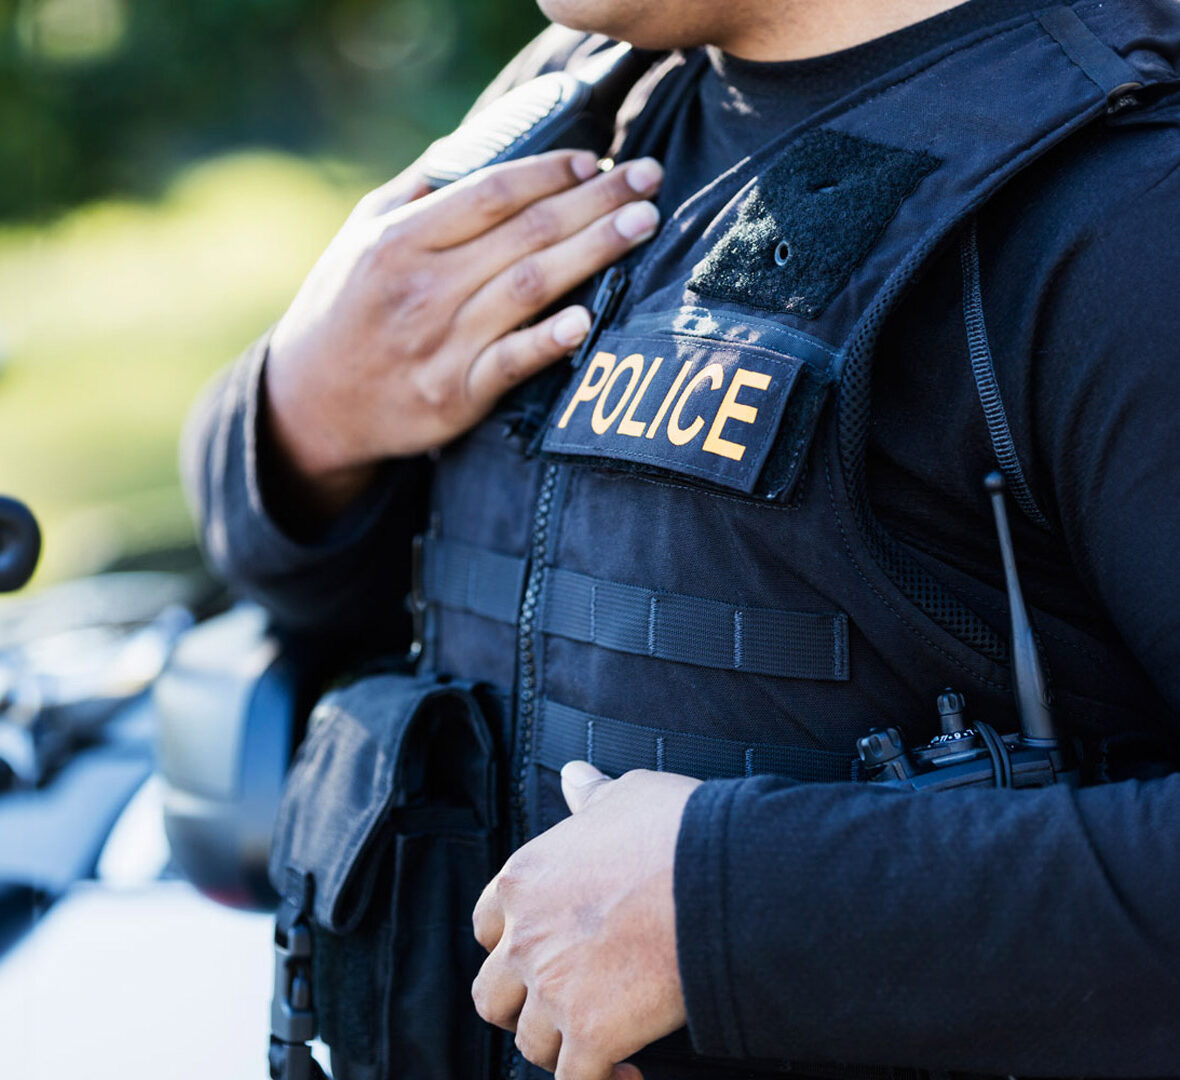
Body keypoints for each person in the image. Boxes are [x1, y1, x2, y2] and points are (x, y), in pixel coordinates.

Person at [183, 0, 1180, 1078]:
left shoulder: (1129, 208)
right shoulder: (573, 95)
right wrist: (301, 418)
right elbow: (342, 589)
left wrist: (733, 911)